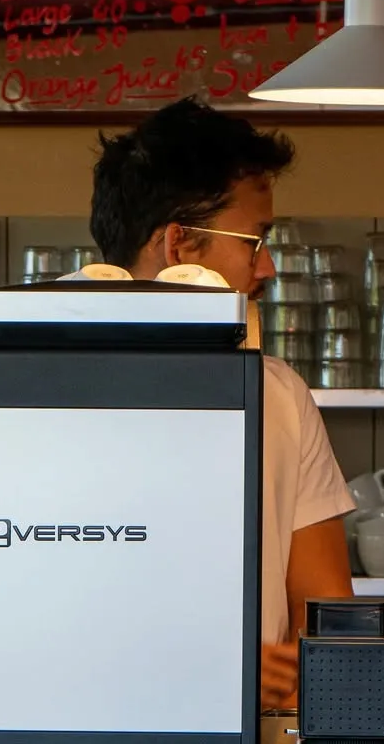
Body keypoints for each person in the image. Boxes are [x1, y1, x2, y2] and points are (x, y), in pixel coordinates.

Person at [88, 96, 354, 709]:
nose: (268, 268)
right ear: (180, 247)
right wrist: (203, 670)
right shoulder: (33, 397)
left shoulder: (278, 396)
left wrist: (297, 678)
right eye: (255, 241)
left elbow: (330, 622)